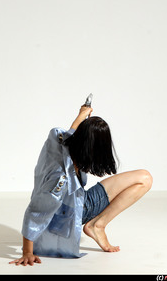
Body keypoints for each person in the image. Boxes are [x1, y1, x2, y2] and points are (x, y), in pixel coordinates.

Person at [9, 104, 153, 266]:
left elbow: (71, 132)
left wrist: (81, 115)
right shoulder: (60, 180)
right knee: (144, 180)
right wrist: (27, 252)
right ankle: (98, 225)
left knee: (143, 175)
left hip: (76, 200)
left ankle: (96, 225)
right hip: (72, 213)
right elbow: (36, 212)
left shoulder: (59, 139)